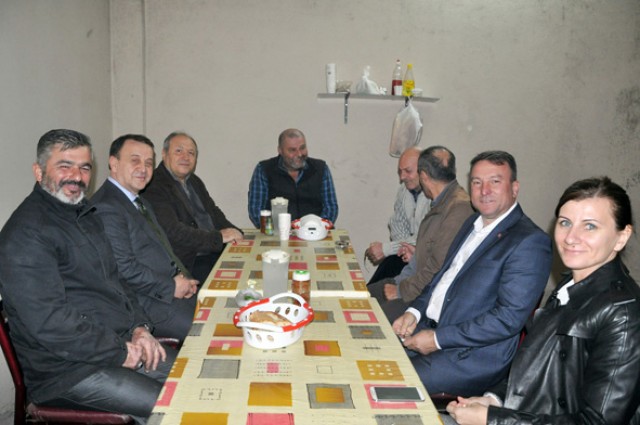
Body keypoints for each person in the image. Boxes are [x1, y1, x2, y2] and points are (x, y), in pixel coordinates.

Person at [0, 129, 175, 424]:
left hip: (115, 341)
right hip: (66, 372)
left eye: (84, 167)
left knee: (196, 376)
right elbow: (51, 324)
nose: (77, 177)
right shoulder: (25, 235)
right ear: (39, 171)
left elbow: (117, 282)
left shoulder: (84, 214)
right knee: (175, 406)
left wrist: (140, 328)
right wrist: (119, 352)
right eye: (65, 166)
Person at [446, 176, 640, 425]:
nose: (571, 237)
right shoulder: (569, 286)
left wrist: (494, 419)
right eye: (565, 222)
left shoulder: (624, 314)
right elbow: (537, 368)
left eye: (590, 226)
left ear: (622, 237)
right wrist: (494, 400)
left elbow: (597, 422)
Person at [393, 150, 552, 396]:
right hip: (428, 328)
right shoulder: (471, 223)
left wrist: (437, 339)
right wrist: (414, 312)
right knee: (368, 354)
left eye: (495, 181)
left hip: (471, 357)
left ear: (515, 188)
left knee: (388, 384)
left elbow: (507, 319)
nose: (484, 190)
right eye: (477, 182)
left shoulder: (530, 242)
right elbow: (442, 278)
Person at [91, 134, 199, 341]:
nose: (143, 168)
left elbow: (161, 250)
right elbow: (124, 269)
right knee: (210, 332)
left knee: (223, 312)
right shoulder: (106, 207)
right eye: (135, 160)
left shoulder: (139, 201)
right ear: (114, 163)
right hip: (145, 306)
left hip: (166, 292)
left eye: (149, 163)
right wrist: (171, 287)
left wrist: (182, 279)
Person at [368, 146, 474, 323]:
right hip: (411, 282)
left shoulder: (458, 209)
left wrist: (400, 290)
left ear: (423, 176)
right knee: (356, 299)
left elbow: (438, 270)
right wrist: (417, 254)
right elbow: (432, 254)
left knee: (370, 319)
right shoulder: (441, 202)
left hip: (423, 296)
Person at [143, 131, 243, 283]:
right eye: (179, 151)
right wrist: (219, 238)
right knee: (235, 285)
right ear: (164, 154)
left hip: (211, 250)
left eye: (191, 153)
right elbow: (172, 231)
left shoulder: (194, 181)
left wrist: (235, 232)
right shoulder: (154, 185)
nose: (186, 157)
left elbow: (213, 212)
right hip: (188, 262)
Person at [365, 146, 431, 284]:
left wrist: (387, 249)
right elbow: (397, 224)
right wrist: (402, 248)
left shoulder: (435, 196)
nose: (402, 177)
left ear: (424, 170)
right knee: (387, 268)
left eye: (408, 171)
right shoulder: (404, 190)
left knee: (389, 264)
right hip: (408, 255)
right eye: (400, 172)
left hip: (428, 262)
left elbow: (425, 238)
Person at [248, 128, 338, 227]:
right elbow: (256, 210)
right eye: (292, 150)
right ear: (280, 150)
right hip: (276, 232)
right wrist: (278, 230)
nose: (299, 154)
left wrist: (318, 228)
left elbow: (331, 207)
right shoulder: (264, 170)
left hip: (315, 230)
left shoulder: (320, 168)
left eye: (302, 148)